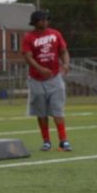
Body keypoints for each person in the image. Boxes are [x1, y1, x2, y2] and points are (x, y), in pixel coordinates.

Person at [21, 9, 72, 151]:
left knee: (58, 110)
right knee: (41, 112)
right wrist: (40, 69)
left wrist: (66, 64)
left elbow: (63, 51)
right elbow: (28, 57)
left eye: (46, 19)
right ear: (35, 22)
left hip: (55, 78)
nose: (45, 22)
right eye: (42, 19)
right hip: (36, 80)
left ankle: (63, 140)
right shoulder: (29, 37)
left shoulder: (55, 34)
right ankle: (46, 141)